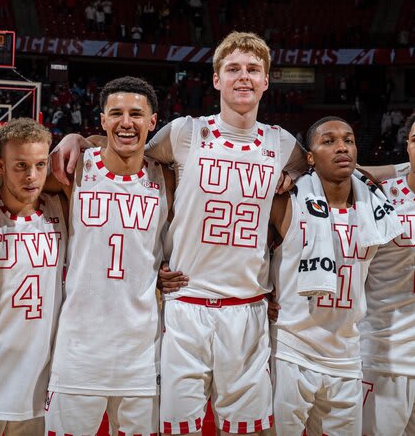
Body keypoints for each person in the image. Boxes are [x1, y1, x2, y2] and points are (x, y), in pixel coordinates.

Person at [51, 32, 306, 436]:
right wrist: (79, 138)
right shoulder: (185, 132)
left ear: (266, 81)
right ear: (217, 79)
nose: (244, 77)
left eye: (254, 70)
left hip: (249, 306)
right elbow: (128, 149)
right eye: (234, 69)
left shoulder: (283, 144)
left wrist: (293, 175)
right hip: (185, 303)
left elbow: (317, 175)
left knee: (250, 430)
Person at [44, 76, 174, 435]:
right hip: (79, 349)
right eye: (116, 113)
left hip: (142, 354)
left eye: (136, 113)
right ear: (102, 120)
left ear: (152, 121)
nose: (126, 122)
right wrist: (75, 139)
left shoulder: (167, 179)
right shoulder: (74, 168)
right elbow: (10, 175)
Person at [269, 117, 402, 435]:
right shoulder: (287, 200)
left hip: (346, 354)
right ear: (309, 157)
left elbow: (401, 170)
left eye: (349, 140)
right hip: (292, 350)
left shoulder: (375, 207)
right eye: (328, 141)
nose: (341, 146)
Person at [0, 118, 67, 436]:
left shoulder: (60, 208)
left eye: (39, 165)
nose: (32, 176)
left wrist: (76, 137)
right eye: (20, 165)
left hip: (38, 394)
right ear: (0, 166)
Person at [359, 117, 415, 435]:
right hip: (384, 356)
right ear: (406, 145)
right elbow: (345, 170)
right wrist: (401, 169)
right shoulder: (382, 197)